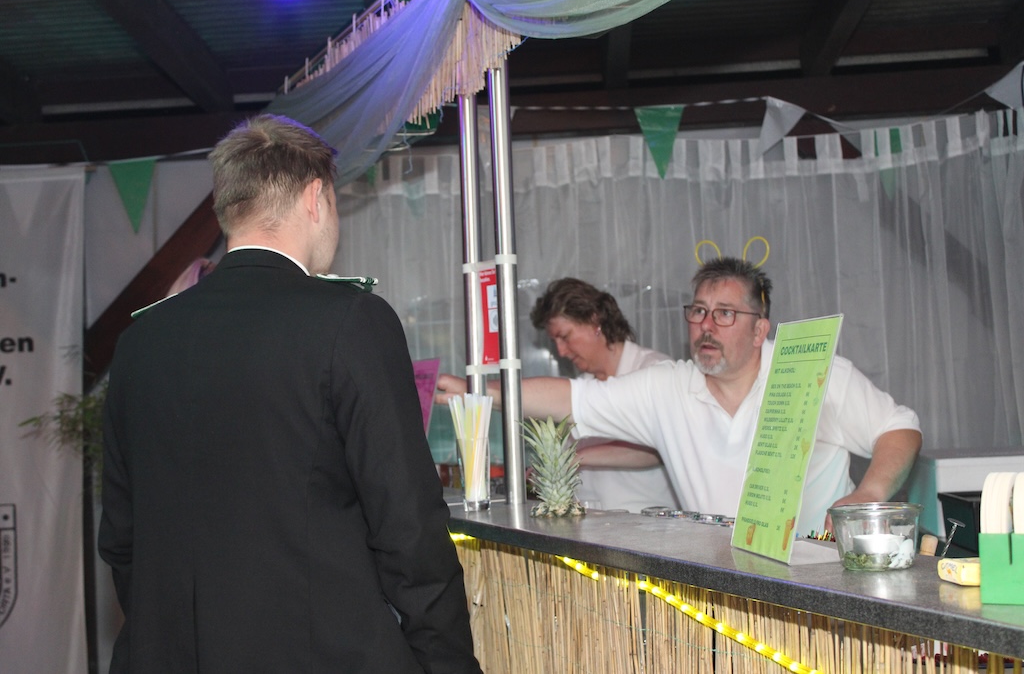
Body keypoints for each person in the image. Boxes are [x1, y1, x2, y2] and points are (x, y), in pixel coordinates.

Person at [99, 114, 481, 674]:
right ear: (315, 198)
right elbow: (409, 531)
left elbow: (122, 540)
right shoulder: (350, 320)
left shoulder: (140, 341)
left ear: (229, 208)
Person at [438, 257, 921, 533]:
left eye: (725, 314)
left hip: (823, 582)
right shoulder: (668, 386)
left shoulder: (811, 371)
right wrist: (477, 391)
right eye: (698, 312)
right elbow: (568, 398)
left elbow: (899, 427)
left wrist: (868, 495)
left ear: (760, 330)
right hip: (724, 588)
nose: (706, 326)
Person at [529, 277, 679, 512]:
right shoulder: (582, 385)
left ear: (594, 321)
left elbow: (659, 447)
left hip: (648, 525)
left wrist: (575, 458)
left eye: (565, 337)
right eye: (554, 341)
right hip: (590, 525)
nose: (561, 351)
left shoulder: (655, 370)